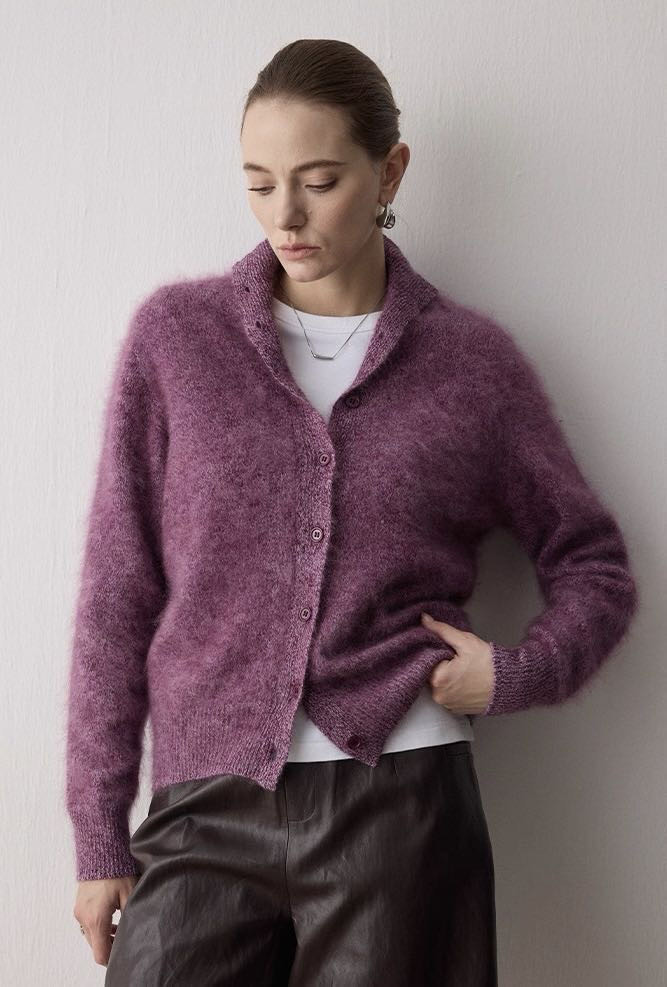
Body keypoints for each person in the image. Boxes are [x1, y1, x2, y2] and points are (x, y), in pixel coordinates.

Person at [66, 39, 639, 986]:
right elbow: (116, 597)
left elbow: (594, 565)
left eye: (319, 181)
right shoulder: (177, 341)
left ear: (389, 172)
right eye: (259, 184)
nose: (284, 216)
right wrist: (98, 834)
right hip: (205, 802)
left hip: (400, 804)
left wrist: (513, 672)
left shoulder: (471, 365)